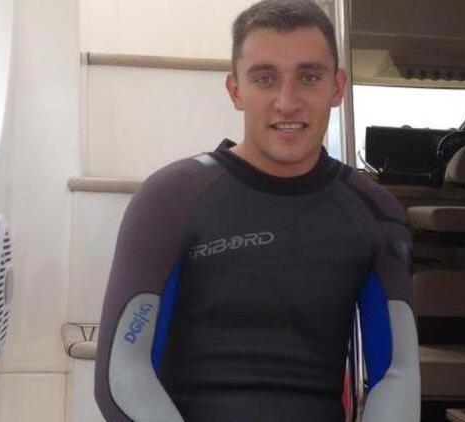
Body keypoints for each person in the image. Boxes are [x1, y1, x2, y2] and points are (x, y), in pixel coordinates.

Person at [94, 1, 420, 421]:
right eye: (265, 78)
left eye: (309, 77)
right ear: (235, 91)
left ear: (337, 87)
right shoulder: (169, 199)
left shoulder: (374, 212)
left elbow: (397, 373)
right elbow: (123, 373)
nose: (287, 102)